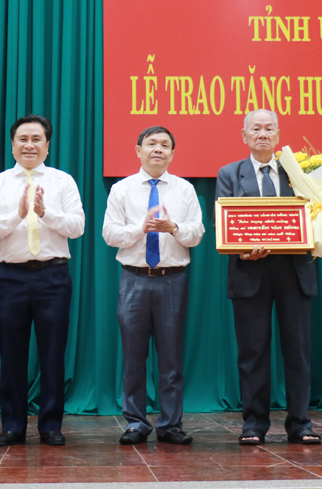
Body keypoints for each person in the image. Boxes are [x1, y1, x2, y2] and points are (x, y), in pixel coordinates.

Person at [215, 109, 322, 445]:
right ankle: (253, 425)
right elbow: (222, 222)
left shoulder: (300, 173)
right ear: (244, 135)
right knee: (252, 353)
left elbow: (316, 215)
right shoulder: (229, 173)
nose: (262, 134)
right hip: (249, 272)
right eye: (255, 129)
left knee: (298, 352)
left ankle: (300, 423)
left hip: (294, 272)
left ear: (278, 135)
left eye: (269, 129)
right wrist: (242, 250)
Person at [0, 115, 85, 447]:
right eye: (22, 139)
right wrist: (19, 214)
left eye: (37, 139)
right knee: (11, 354)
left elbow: (77, 226)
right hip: (11, 277)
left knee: (53, 354)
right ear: (12, 145)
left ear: (47, 146)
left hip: (54, 276)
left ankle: (51, 425)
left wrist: (44, 212)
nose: (29, 145)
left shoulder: (62, 181)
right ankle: (13, 425)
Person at [102, 126, 204, 446]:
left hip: (172, 279)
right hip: (133, 278)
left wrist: (173, 227)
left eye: (164, 145)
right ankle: (136, 423)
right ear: (138, 150)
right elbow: (109, 234)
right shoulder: (121, 189)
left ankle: (170, 424)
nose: (158, 149)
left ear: (172, 153)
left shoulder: (185, 189)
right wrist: (140, 227)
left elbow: (197, 234)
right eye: (151, 144)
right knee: (133, 356)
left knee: (171, 356)